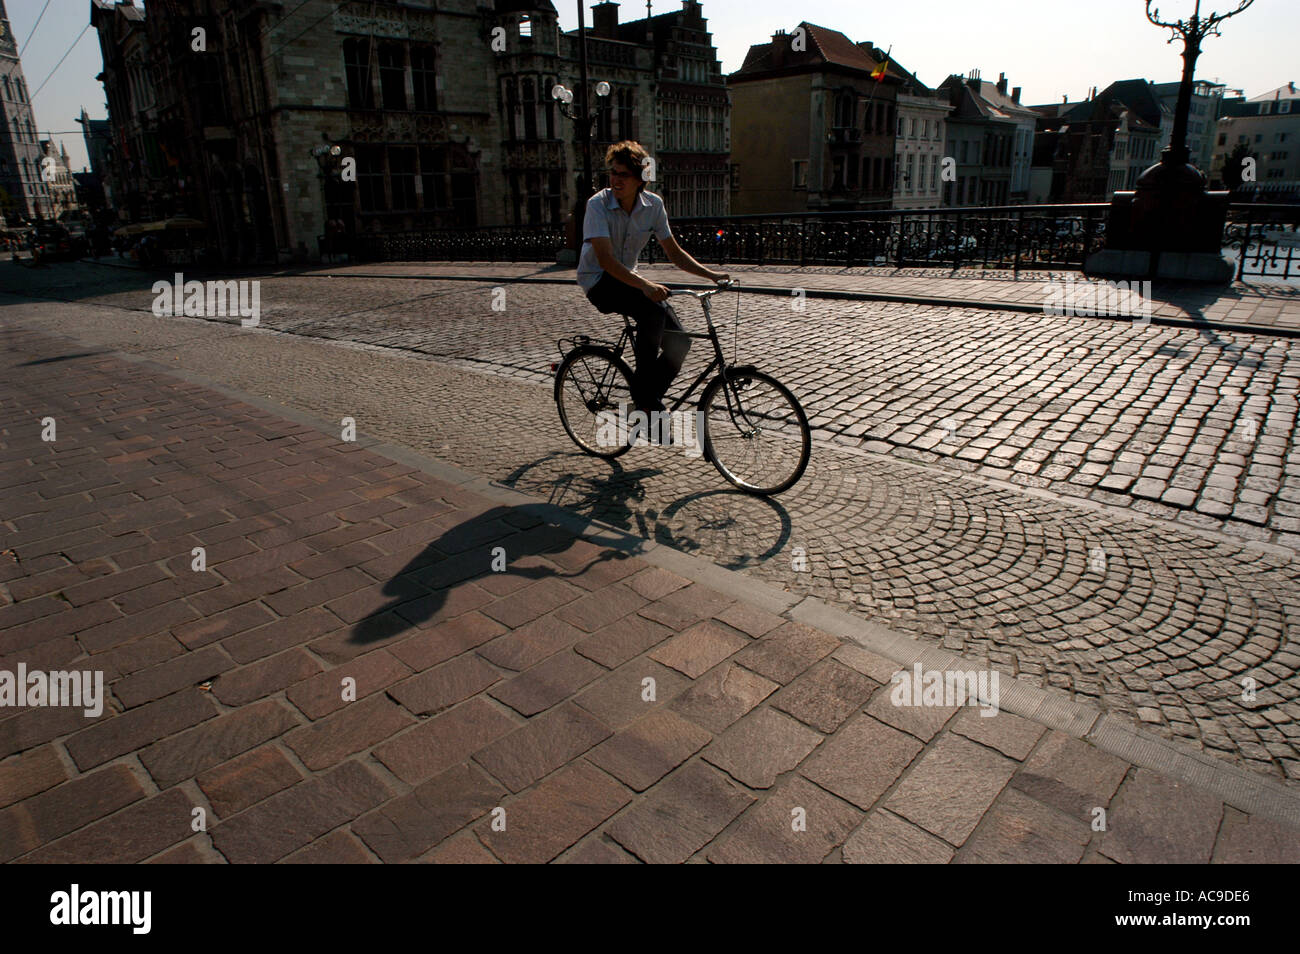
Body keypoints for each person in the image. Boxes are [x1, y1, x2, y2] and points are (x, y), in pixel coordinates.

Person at [578, 140, 728, 414]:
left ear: (640, 178)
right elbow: (605, 260)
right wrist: (646, 285)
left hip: (628, 279)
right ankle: (646, 401)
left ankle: (645, 398)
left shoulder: (653, 205)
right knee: (652, 311)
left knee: (680, 342)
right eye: (612, 173)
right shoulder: (598, 205)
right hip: (599, 280)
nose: (615, 180)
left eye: (623, 174)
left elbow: (674, 252)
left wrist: (712, 275)